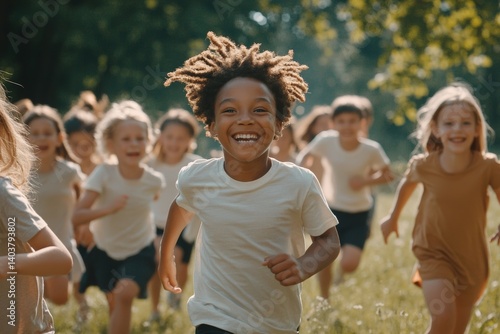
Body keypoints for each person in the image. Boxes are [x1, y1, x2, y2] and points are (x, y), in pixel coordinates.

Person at [158, 31, 340, 334]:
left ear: (279, 125)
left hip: (277, 321)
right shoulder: (197, 178)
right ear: (212, 125)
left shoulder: (298, 183)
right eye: (230, 110)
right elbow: (182, 208)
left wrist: (303, 265)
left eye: (259, 110)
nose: (244, 119)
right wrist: (166, 254)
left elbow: (328, 240)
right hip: (214, 316)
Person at [380, 82, 500, 334]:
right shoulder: (425, 165)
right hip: (432, 252)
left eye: (466, 123)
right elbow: (407, 184)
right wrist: (392, 217)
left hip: (472, 259)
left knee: (456, 328)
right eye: (449, 123)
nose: (457, 129)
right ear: (435, 128)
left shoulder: (487, 166)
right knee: (443, 318)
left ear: (478, 128)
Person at [72, 100, 164, 334]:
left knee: (124, 294)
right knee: (115, 302)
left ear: (148, 141)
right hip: (105, 250)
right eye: (126, 139)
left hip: (140, 249)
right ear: (110, 144)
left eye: (139, 138)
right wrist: (108, 210)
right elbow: (77, 216)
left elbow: (153, 204)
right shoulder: (103, 174)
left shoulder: (154, 181)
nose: (134, 144)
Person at [297, 99, 393, 300]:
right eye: (341, 121)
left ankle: (341, 274)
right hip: (331, 209)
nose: (347, 126)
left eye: (352, 121)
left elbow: (387, 174)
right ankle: (325, 298)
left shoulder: (371, 149)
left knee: (350, 263)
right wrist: (302, 174)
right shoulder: (325, 140)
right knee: (323, 258)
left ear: (362, 123)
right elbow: (306, 156)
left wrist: (366, 181)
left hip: (359, 212)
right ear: (333, 123)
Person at [0, 82, 73, 334]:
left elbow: (61, 259)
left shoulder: (2, 193)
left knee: (62, 296)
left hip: (24, 329)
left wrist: (6, 264)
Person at [23, 106, 87, 312]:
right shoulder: (19, 173)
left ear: (59, 138)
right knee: (27, 301)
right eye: (35, 134)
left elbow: (85, 197)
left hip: (59, 241)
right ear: (23, 138)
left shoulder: (69, 172)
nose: (42, 139)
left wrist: (84, 225)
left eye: (47, 134)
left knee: (60, 298)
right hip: (26, 245)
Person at [146, 108, 203, 322]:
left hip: (186, 226)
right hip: (156, 224)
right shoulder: (150, 164)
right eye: (169, 137)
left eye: (180, 138)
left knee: (181, 264)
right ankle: (154, 309)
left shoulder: (194, 164)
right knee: (159, 258)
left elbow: (199, 199)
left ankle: (175, 296)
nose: (174, 143)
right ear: (160, 136)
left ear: (190, 139)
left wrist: (191, 231)